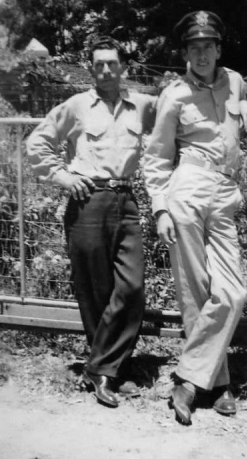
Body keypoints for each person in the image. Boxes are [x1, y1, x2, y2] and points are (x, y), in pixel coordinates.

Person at [143, 10, 247, 424]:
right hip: (188, 185)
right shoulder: (173, 95)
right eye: (194, 47)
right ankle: (219, 382)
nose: (201, 53)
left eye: (208, 45)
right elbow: (156, 156)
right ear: (185, 53)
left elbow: (246, 108)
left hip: (225, 190)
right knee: (194, 289)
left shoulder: (236, 81)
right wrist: (160, 207)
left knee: (232, 291)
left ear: (219, 48)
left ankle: (190, 379)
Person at [27, 36, 156, 408]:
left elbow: (178, 111)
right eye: (98, 64)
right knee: (94, 289)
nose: (105, 70)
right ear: (91, 68)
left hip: (126, 200)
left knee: (131, 288)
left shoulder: (142, 106)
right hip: (86, 201)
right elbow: (39, 142)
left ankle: (100, 367)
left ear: (124, 67)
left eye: (111, 63)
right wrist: (63, 176)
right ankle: (110, 372)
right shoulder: (78, 106)